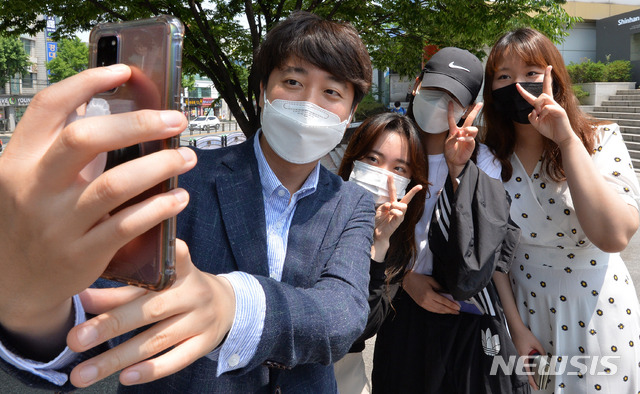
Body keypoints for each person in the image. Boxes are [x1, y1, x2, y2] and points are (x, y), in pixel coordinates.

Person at [0, 12, 376, 392]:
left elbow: (342, 314)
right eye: (293, 82)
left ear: (350, 112)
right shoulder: (182, 175)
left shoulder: (352, 202)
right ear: (263, 90)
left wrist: (234, 305)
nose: (309, 104)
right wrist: (31, 308)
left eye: (332, 92)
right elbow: (104, 298)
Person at [482, 27, 640, 393]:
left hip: (597, 308)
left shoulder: (600, 139)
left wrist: (566, 139)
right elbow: (491, 251)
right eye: (504, 76)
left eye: (531, 74)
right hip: (523, 310)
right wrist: (515, 326)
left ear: (555, 76)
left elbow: (614, 235)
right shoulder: (488, 156)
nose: (518, 85)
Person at [371, 47, 536, 393]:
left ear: (468, 107)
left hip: (468, 311)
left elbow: (485, 251)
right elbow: (365, 228)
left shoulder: (484, 160)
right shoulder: (392, 151)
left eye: (454, 98)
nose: (441, 105)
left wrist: (459, 169)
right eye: (434, 91)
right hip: (402, 306)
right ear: (417, 85)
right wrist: (405, 280)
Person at [332, 112, 427, 394]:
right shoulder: (315, 210)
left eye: (399, 169)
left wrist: (380, 243)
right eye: (373, 160)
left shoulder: (397, 246)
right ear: (353, 160)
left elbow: (364, 326)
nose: (383, 174)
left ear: (410, 180)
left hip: (344, 375)